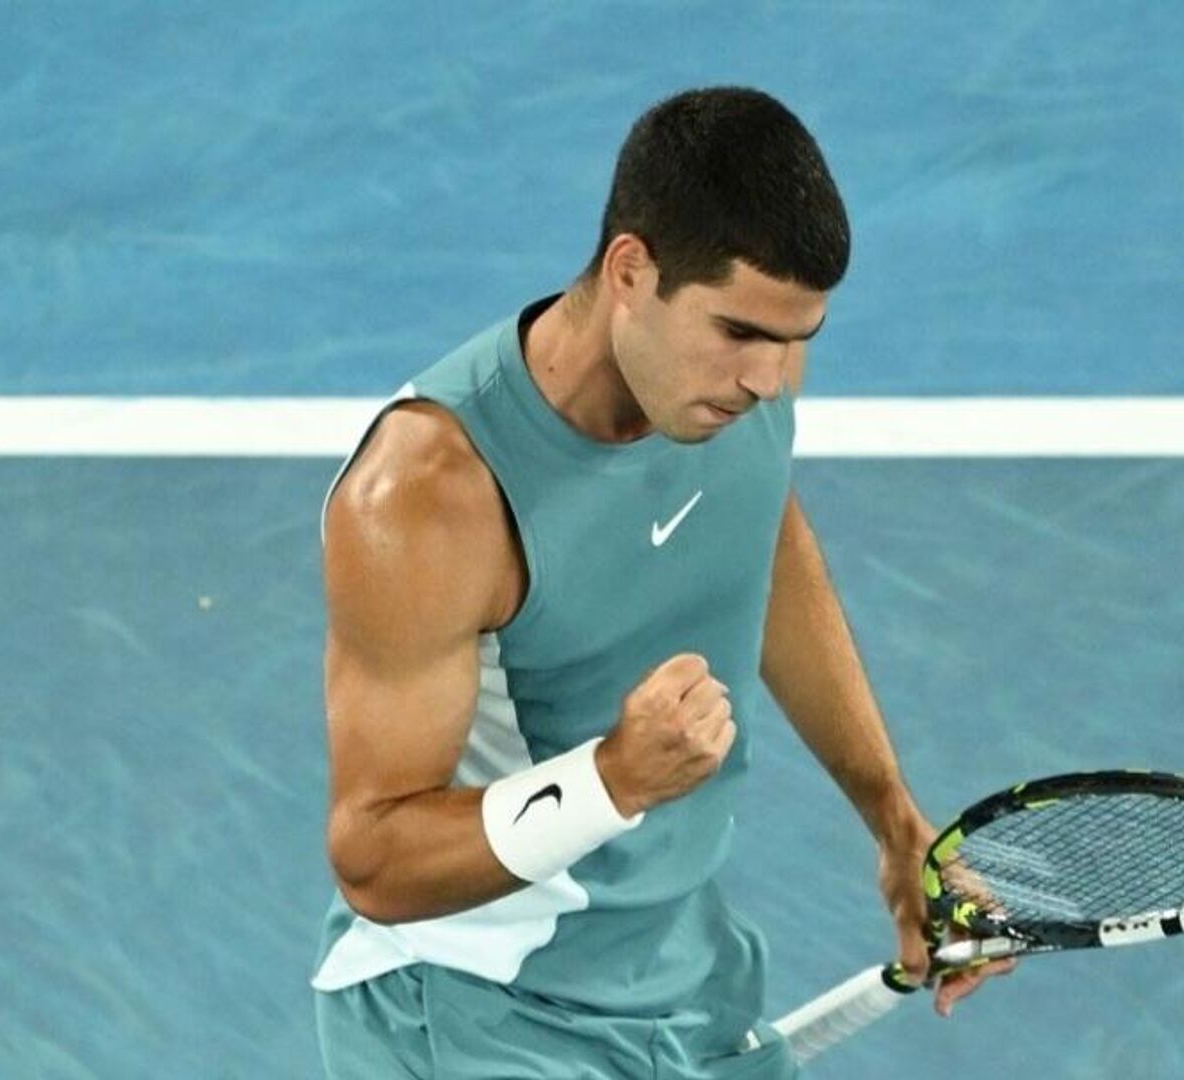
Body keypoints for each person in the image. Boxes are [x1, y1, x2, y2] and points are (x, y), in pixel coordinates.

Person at [310, 85, 1011, 1079]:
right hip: (475, 1010)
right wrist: (610, 781)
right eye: (740, 332)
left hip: (682, 981)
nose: (769, 379)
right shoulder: (428, 497)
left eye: (797, 338)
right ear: (631, 271)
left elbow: (759, 537)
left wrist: (895, 820)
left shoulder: (739, 384)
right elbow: (374, 858)